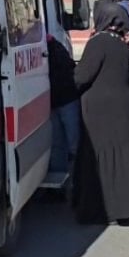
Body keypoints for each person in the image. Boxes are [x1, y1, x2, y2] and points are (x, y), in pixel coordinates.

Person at [72, 1, 129, 224]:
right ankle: (127, 207)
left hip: (100, 110)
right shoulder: (123, 45)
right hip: (123, 106)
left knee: (100, 155)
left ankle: (102, 210)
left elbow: (83, 76)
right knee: (122, 154)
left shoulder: (99, 42)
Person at [47, 34, 81, 178]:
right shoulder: (57, 47)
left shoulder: (53, 49)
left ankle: (73, 178)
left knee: (60, 144)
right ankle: (75, 179)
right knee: (69, 143)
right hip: (64, 99)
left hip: (61, 100)